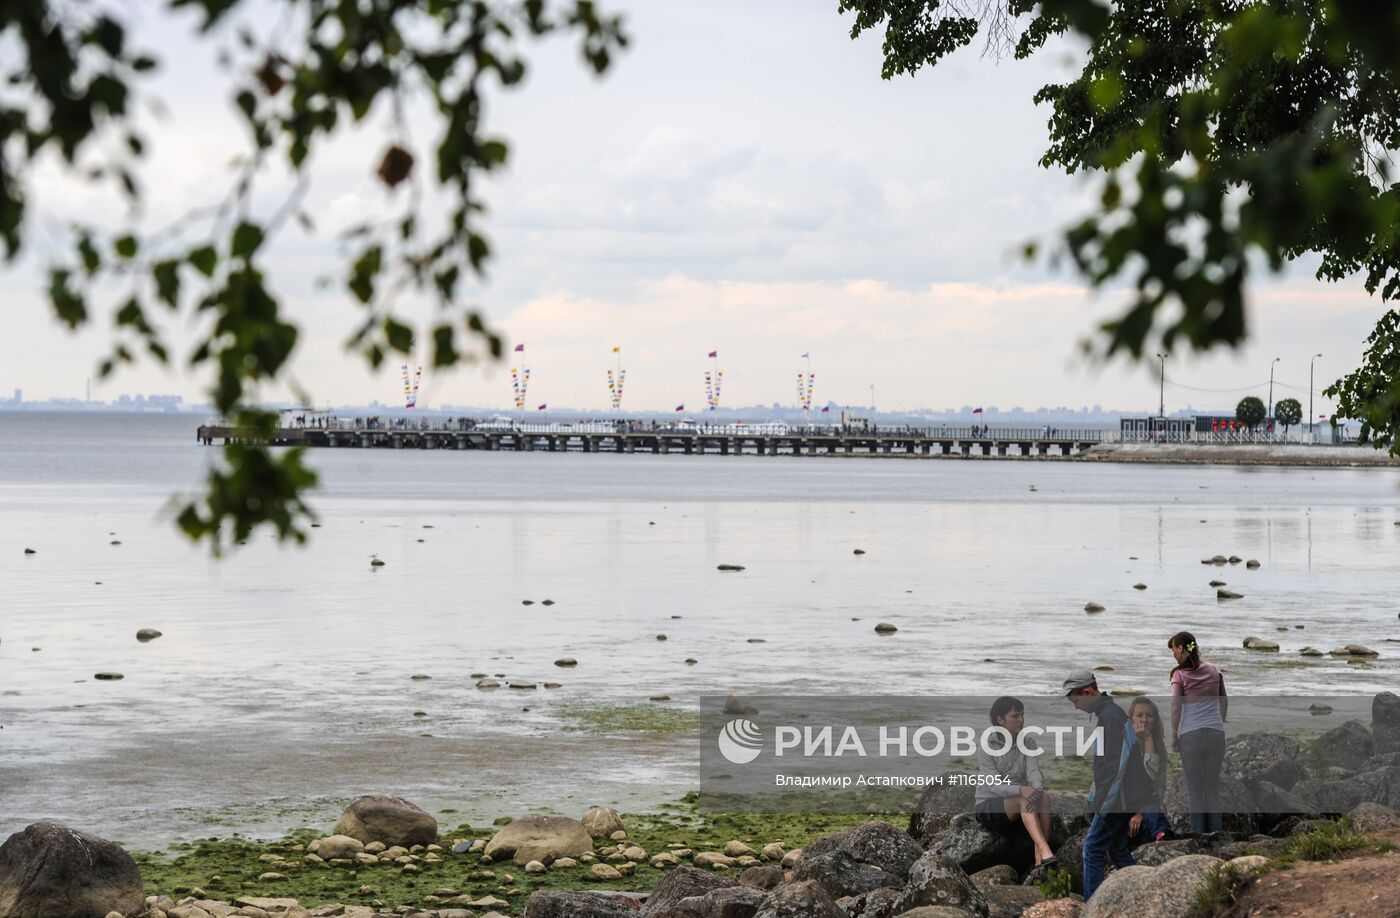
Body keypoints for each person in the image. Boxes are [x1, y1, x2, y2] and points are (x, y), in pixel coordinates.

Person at [1064, 669, 1154, 901]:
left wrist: (1103, 804)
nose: (1076, 706)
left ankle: (1091, 904)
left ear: (1087, 692)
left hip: (1119, 799)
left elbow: (1116, 768)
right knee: (1117, 849)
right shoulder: (1111, 713)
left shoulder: (1110, 717)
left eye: (1076, 700)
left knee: (1092, 849)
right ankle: (1142, 895)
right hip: (1126, 796)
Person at [975, 696, 1057, 868]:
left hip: (1018, 803)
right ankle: (1044, 849)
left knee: (1045, 798)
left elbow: (1034, 771)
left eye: (1022, 715)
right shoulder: (986, 745)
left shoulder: (1028, 741)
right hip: (989, 805)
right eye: (1015, 716)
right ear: (1000, 719)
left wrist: (1037, 790)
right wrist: (1020, 789)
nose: (1021, 720)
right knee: (1024, 798)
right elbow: (993, 785)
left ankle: (1040, 853)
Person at [1168, 631, 1228, 834]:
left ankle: (1200, 837)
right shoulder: (1212, 669)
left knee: (1194, 791)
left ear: (1181, 648)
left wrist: (1174, 735)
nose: (1173, 654)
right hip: (1215, 733)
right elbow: (1223, 700)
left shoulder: (1179, 675)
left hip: (1190, 735)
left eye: (1174, 649)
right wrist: (1219, 721)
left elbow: (1176, 707)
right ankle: (1216, 834)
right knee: (1211, 787)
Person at [1126, 696, 1172, 846]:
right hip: (1121, 803)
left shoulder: (1159, 747)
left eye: (1149, 715)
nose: (1144, 720)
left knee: (1150, 806)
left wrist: (1141, 813)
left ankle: (1163, 835)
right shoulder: (1123, 744)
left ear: (1155, 720)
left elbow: (1158, 786)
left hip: (1144, 805)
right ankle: (1162, 831)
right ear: (1131, 719)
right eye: (1139, 715)